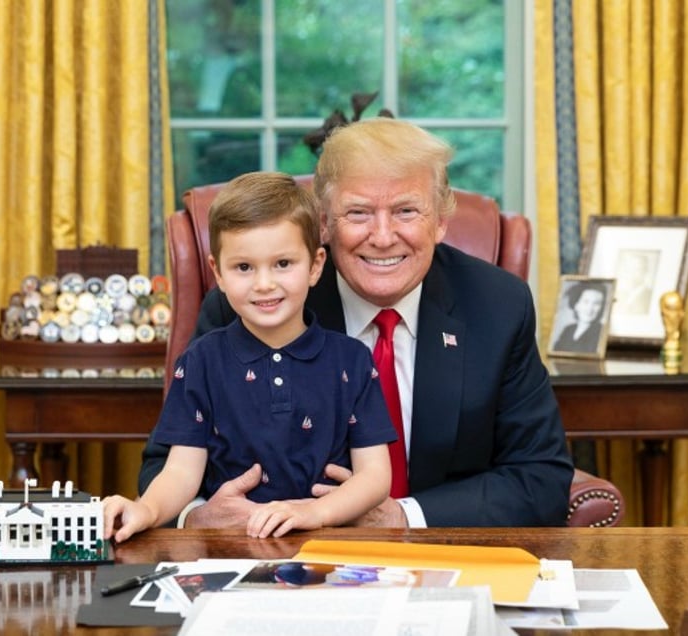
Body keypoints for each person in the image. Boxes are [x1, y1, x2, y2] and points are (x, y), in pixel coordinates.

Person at [140, 117, 574, 527]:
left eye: (406, 211)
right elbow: (166, 465)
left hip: (441, 558)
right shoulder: (254, 305)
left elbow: (541, 477)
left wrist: (403, 517)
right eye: (359, 213)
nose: (383, 237)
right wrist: (202, 517)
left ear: (441, 221)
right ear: (324, 224)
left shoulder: (497, 305)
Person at [104, 172, 396, 541]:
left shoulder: (352, 361)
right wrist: (146, 509)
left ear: (316, 265)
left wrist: (313, 512)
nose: (264, 284)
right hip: (228, 552)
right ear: (218, 273)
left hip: (329, 546)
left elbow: (375, 476)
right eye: (244, 267)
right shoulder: (201, 362)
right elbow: (181, 472)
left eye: (283, 264)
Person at [551, 282, 607, 354]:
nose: (590, 309)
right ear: (576, 304)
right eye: (586, 302)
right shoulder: (568, 329)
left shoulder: (601, 332)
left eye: (596, 303)